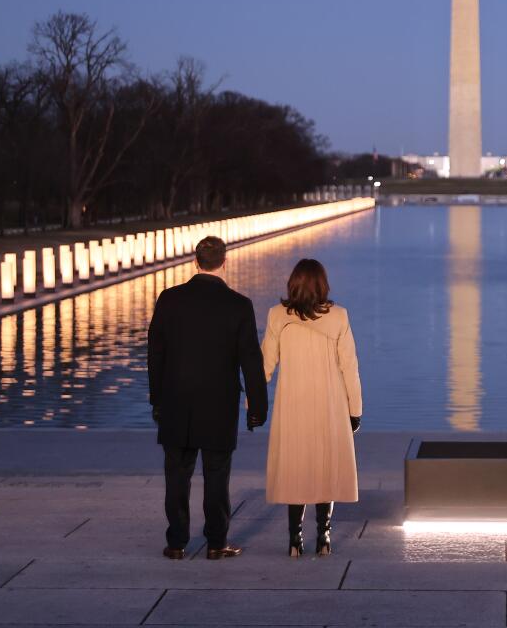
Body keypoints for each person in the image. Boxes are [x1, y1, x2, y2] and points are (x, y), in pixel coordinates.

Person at [147, 235, 267, 561]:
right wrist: (257, 408)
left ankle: (176, 543)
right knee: (217, 476)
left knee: (177, 475)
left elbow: (155, 354)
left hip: (176, 401)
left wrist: (156, 399)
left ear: (195, 261)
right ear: (225, 262)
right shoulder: (239, 305)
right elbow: (250, 361)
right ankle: (216, 543)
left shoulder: (169, 299)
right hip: (218, 404)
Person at [262, 258, 363, 557]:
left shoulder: (277, 315)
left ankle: (295, 539)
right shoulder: (339, 316)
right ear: (323, 283)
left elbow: (265, 363)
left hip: (292, 403)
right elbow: (350, 369)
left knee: (297, 468)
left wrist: (252, 402)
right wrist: (354, 410)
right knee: (325, 467)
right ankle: (325, 537)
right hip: (329, 404)